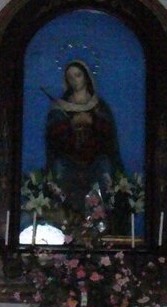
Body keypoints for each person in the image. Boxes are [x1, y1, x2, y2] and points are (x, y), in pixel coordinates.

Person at [44, 61, 125, 217]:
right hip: (68, 159)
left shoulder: (99, 105)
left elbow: (108, 136)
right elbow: (54, 137)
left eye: (78, 75)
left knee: (105, 169)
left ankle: (101, 219)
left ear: (86, 77)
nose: (74, 80)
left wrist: (92, 122)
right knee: (59, 170)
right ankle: (66, 220)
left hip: (95, 159)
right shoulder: (60, 106)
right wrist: (70, 125)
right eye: (70, 77)